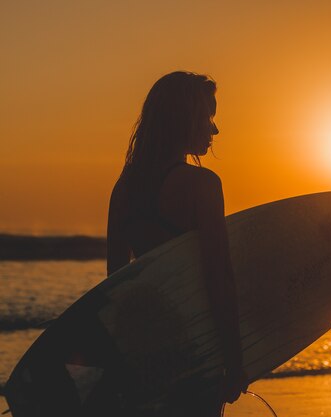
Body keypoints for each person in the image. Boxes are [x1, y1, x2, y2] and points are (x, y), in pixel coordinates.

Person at [106, 71, 248, 415]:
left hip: (142, 352)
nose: (214, 130)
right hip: (194, 345)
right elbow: (219, 277)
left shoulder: (123, 189)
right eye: (208, 118)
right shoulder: (202, 185)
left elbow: (114, 285)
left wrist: (120, 358)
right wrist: (236, 360)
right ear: (183, 121)